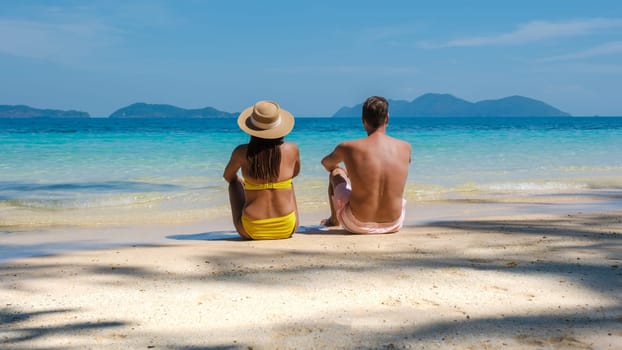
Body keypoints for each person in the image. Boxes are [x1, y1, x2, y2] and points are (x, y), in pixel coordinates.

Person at [321, 96, 411, 234]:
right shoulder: (405, 147)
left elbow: (326, 164)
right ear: (387, 118)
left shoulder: (347, 147)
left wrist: (345, 170)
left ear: (363, 120)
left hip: (357, 223)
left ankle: (334, 220)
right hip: (394, 223)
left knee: (335, 172)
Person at [223, 100, 301, 240]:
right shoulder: (292, 149)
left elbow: (228, 176)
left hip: (251, 229)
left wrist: (244, 181)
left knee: (233, 184)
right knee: (288, 182)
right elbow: (295, 173)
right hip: (287, 228)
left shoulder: (241, 152)